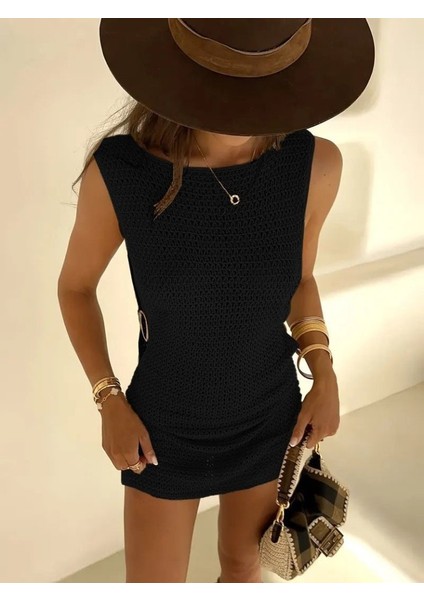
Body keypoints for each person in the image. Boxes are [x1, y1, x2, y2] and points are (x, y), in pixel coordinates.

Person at [57, 19, 375, 583]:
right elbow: (75, 288)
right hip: (162, 427)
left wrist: (325, 374)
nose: (245, 105)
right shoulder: (123, 171)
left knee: (244, 570)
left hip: (268, 416)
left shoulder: (316, 164)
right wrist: (109, 400)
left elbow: (299, 280)